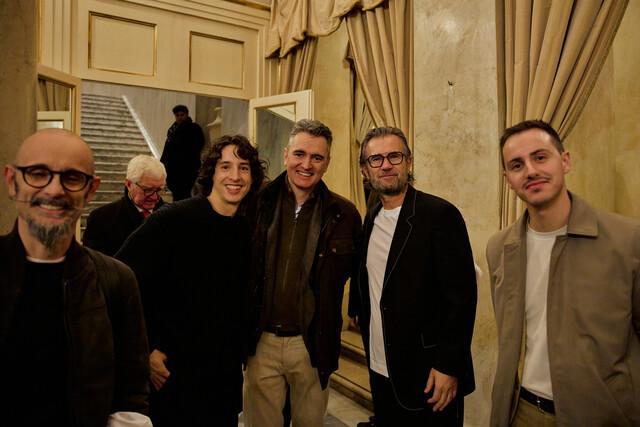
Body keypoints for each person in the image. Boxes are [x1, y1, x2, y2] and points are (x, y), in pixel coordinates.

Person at [486, 120, 640, 426]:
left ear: (565, 161)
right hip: (522, 413)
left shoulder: (626, 240)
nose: (530, 171)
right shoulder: (500, 248)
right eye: (517, 165)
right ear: (508, 180)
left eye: (540, 157)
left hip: (601, 416)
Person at [0, 128, 150, 426]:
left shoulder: (116, 281)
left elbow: (131, 397)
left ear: (91, 190)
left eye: (71, 178)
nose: (55, 190)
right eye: (38, 174)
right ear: (11, 181)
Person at [117, 135, 266, 426]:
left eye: (244, 168)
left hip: (222, 379)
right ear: (212, 173)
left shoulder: (246, 230)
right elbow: (120, 280)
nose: (235, 176)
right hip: (173, 375)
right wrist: (145, 349)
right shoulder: (173, 218)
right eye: (225, 166)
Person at [350, 126, 477, 427]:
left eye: (394, 156)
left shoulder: (440, 215)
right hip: (381, 367)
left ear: (409, 161)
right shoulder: (372, 216)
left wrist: (448, 366)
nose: (386, 165)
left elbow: (461, 299)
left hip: (428, 377)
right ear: (365, 170)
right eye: (376, 159)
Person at [244, 119, 362, 427]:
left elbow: (360, 276)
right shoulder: (256, 203)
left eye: (317, 157)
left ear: (327, 162)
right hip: (261, 341)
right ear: (286, 155)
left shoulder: (345, 214)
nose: (306, 165)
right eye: (299, 154)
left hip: (312, 345)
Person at [83, 154, 167, 256]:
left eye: (159, 190)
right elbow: (93, 262)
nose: (154, 197)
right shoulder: (101, 219)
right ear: (129, 184)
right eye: (148, 190)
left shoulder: (172, 215)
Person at [160, 104, 205, 201]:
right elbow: (167, 149)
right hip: (173, 170)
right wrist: (162, 164)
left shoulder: (194, 128)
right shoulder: (172, 130)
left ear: (187, 115)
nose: (180, 117)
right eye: (177, 115)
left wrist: (189, 158)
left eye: (182, 115)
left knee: (185, 193)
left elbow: (199, 144)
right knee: (176, 194)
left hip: (187, 169)